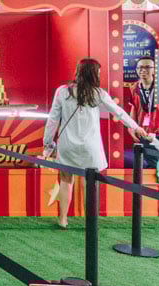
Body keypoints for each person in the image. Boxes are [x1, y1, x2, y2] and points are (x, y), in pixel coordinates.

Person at [43, 58, 147, 228]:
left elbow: (52, 120)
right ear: (93, 74)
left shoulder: (62, 92)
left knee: (65, 180)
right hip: (91, 147)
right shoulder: (98, 94)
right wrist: (135, 127)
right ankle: (90, 222)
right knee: (90, 184)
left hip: (67, 144)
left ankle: (62, 219)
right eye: (98, 72)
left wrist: (48, 144)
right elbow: (119, 112)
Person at [128, 56, 159, 168]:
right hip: (144, 133)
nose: (143, 70)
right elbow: (134, 108)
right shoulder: (134, 87)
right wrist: (132, 127)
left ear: (154, 70)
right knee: (152, 163)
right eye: (140, 67)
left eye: (147, 67)